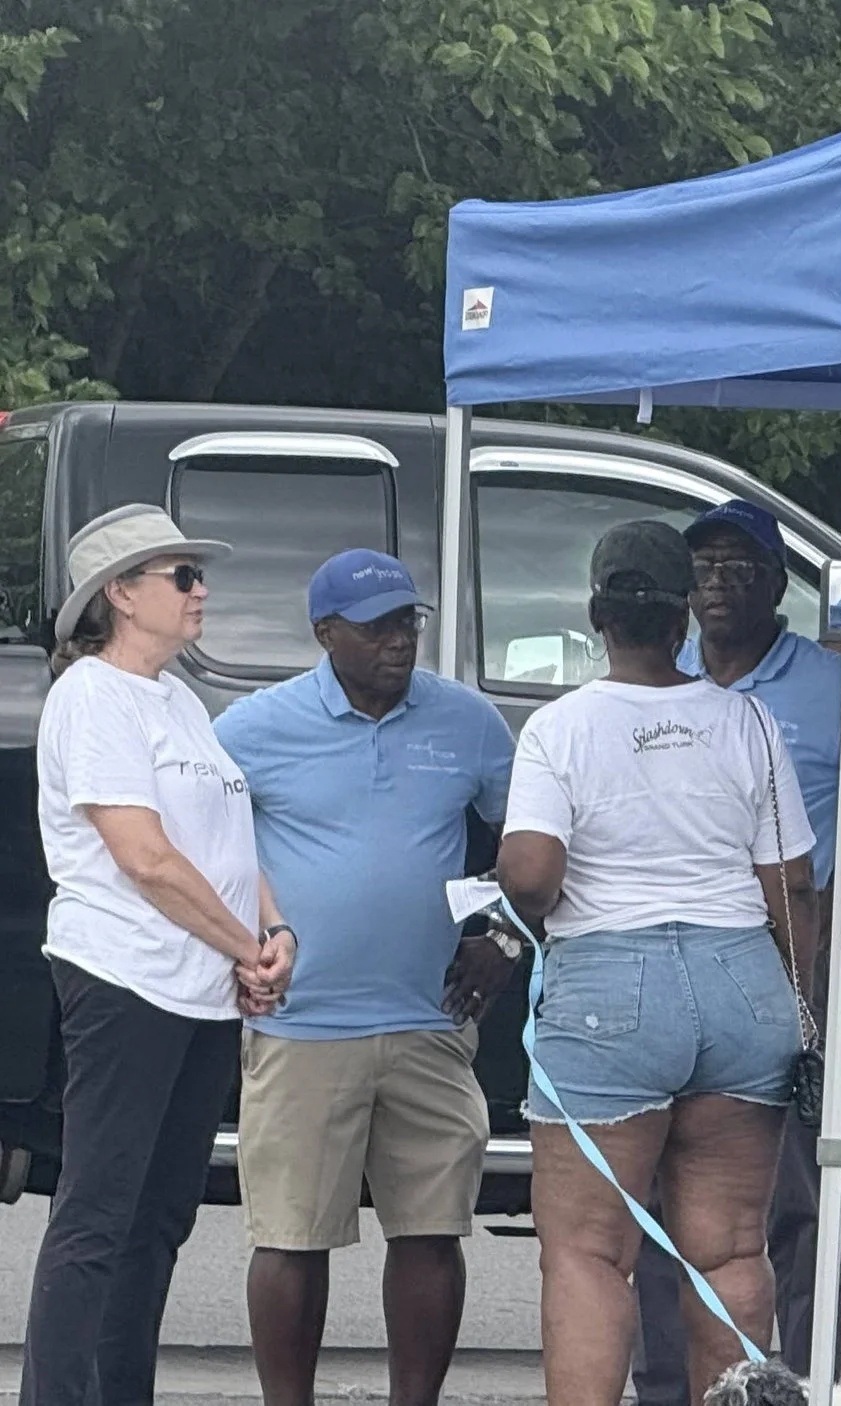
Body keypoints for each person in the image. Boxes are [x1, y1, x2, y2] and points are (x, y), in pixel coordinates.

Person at [631, 500, 841, 1401]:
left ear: (777, 584)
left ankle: (805, 1385)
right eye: (704, 566)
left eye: (740, 567)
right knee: (664, 1185)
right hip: (669, 954)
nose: (718, 583)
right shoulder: (663, 677)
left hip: (785, 959)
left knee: (785, 1194)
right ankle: (670, 1386)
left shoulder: (826, 687)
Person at [497, 520, 818, 1406]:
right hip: (742, 985)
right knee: (728, 1248)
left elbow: (531, 872)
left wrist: (507, 905)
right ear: (685, 616)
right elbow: (791, 883)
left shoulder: (560, 728)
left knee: (591, 1252)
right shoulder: (747, 719)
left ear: (597, 616)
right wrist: (804, 1014)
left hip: (610, 991)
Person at [214, 549, 518, 1406]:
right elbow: (205, 848)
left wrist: (502, 930)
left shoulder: (469, 723)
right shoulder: (252, 729)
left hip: (429, 1019)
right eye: (378, 624)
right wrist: (238, 947)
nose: (399, 639)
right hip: (300, 1021)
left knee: (430, 1231)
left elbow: (525, 840)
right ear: (325, 634)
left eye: (407, 622)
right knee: (290, 1237)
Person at [21, 504, 296, 1406]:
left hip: (202, 989)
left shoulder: (180, 699)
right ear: (121, 595)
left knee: (159, 1217)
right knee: (98, 1215)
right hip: (124, 979)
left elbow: (228, 835)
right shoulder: (91, 696)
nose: (201, 590)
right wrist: (246, 947)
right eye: (182, 576)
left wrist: (276, 932)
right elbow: (144, 857)